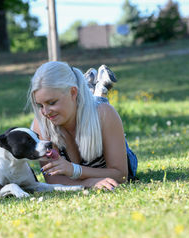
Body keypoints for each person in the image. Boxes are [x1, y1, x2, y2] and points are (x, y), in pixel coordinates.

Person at [27, 61, 137, 190]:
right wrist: (89, 183)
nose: (45, 112)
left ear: (73, 92)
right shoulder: (41, 124)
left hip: (95, 119)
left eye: (52, 102)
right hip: (81, 110)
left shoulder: (105, 114)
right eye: (40, 105)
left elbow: (121, 175)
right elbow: (53, 180)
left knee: (99, 106)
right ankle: (93, 89)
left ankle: (97, 91)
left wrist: (74, 170)